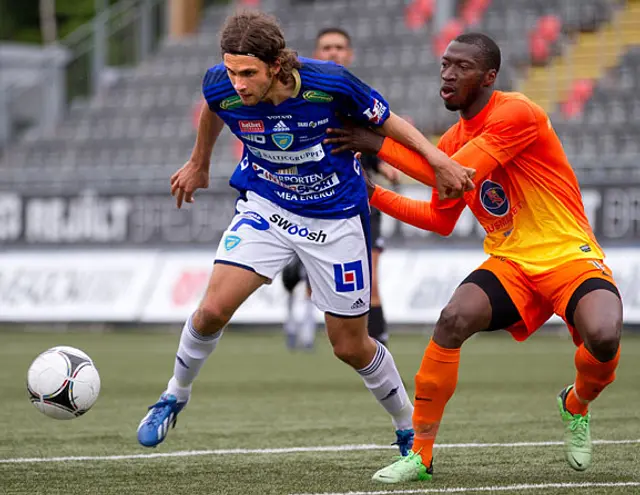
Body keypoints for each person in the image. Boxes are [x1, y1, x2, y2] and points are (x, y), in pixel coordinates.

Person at [136, 11, 474, 453]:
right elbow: (213, 110)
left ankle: (407, 425)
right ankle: (173, 395)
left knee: (350, 347)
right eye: (232, 70)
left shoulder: (330, 83)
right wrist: (200, 163)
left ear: (276, 66)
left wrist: (440, 162)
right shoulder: (221, 84)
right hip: (267, 207)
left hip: (336, 219)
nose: (237, 83)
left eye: (248, 73)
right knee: (211, 310)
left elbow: (390, 121)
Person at [325, 32, 622, 483]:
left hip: (568, 256)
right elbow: (440, 219)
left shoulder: (515, 112)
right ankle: (420, 455)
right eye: (445, 64)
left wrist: (377, 143)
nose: (447, 74)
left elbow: (452, 173)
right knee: (452, 320)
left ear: (489, 76)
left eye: (461, 66)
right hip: (510, 263)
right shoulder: (449, 141)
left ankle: (575, 403)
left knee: (602, 335)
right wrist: (374, 194)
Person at [281, 27, 400, 350]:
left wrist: (384, 165)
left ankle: (381, 358)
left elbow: (371, 139)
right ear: (315, 55)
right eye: (326, 48)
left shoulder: (359, 95)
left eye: (339, 47)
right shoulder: (300, 98)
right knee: (310, 278)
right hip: (310, 199)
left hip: (360, 199)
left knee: (370, 280)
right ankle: (301, 315)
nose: (333, 53)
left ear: (350, 54)